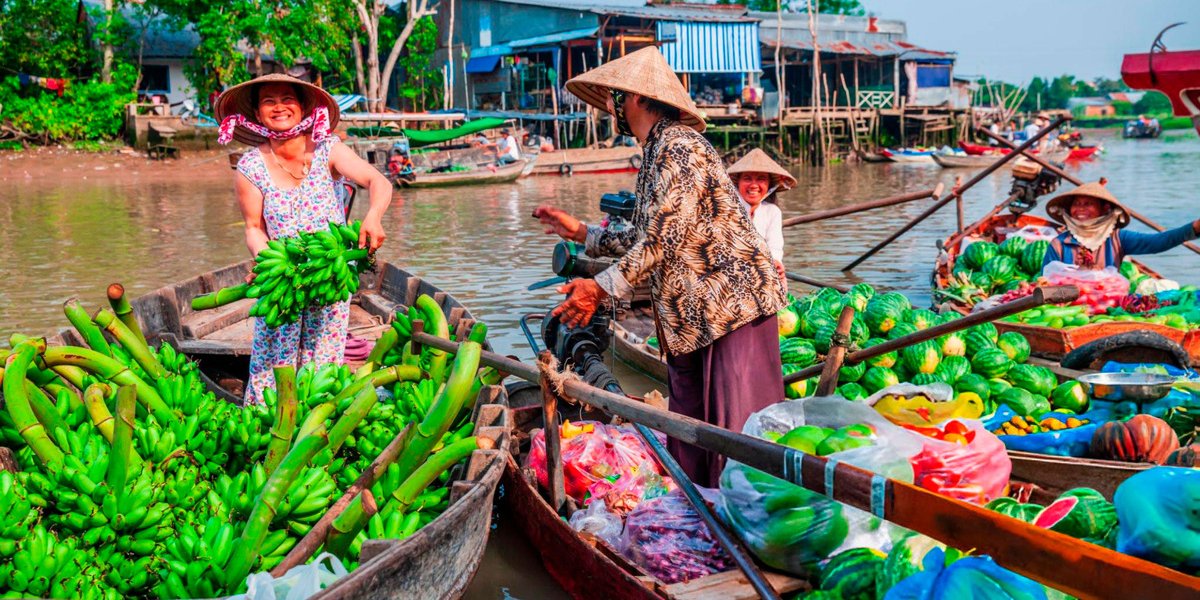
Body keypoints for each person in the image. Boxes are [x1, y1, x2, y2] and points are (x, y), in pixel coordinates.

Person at [532, 47, 787, 486]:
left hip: (728, 310)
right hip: (689, 319)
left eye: (615, 95)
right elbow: (645, 236)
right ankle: (700, 520)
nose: (611, 104)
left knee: (737, 444)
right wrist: (580, 234)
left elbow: (663, 237)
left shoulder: (680, 146)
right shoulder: (655, 153)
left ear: (633, 98)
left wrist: (601, 288)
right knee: (693, 437)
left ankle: (742, 534)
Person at [215, 73, 392, 404]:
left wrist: (373, 216)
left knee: (321, 362)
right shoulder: (251, 165)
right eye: (269, 101)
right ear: (256, 112)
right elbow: (254, 227)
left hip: (328, 275)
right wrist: (268, 262)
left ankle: (315, 426)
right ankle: (268, 423)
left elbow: (377, 181)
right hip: (284, 279)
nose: (279, 107)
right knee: (273, 362)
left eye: (287, 99)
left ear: (303, 106)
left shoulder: (328, 149)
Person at [1041, 181, 1200, 271]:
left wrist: (1193, 228)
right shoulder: (1059, 244)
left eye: (1088, 204)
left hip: (1107, 304)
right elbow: (1046, 280)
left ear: (1104, 209)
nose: (1080, 209)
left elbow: (1158, 242)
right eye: (1076, 204)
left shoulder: (1117, 238)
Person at [726, 148, 796, 281]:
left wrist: (776, 262)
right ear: (737, 183)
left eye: (761, 179)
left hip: (762, 272)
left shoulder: (772, 211)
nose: (754, 185)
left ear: (769, 184)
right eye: (747, 178)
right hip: (729, 272)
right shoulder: (727, 208)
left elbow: (775, 247)